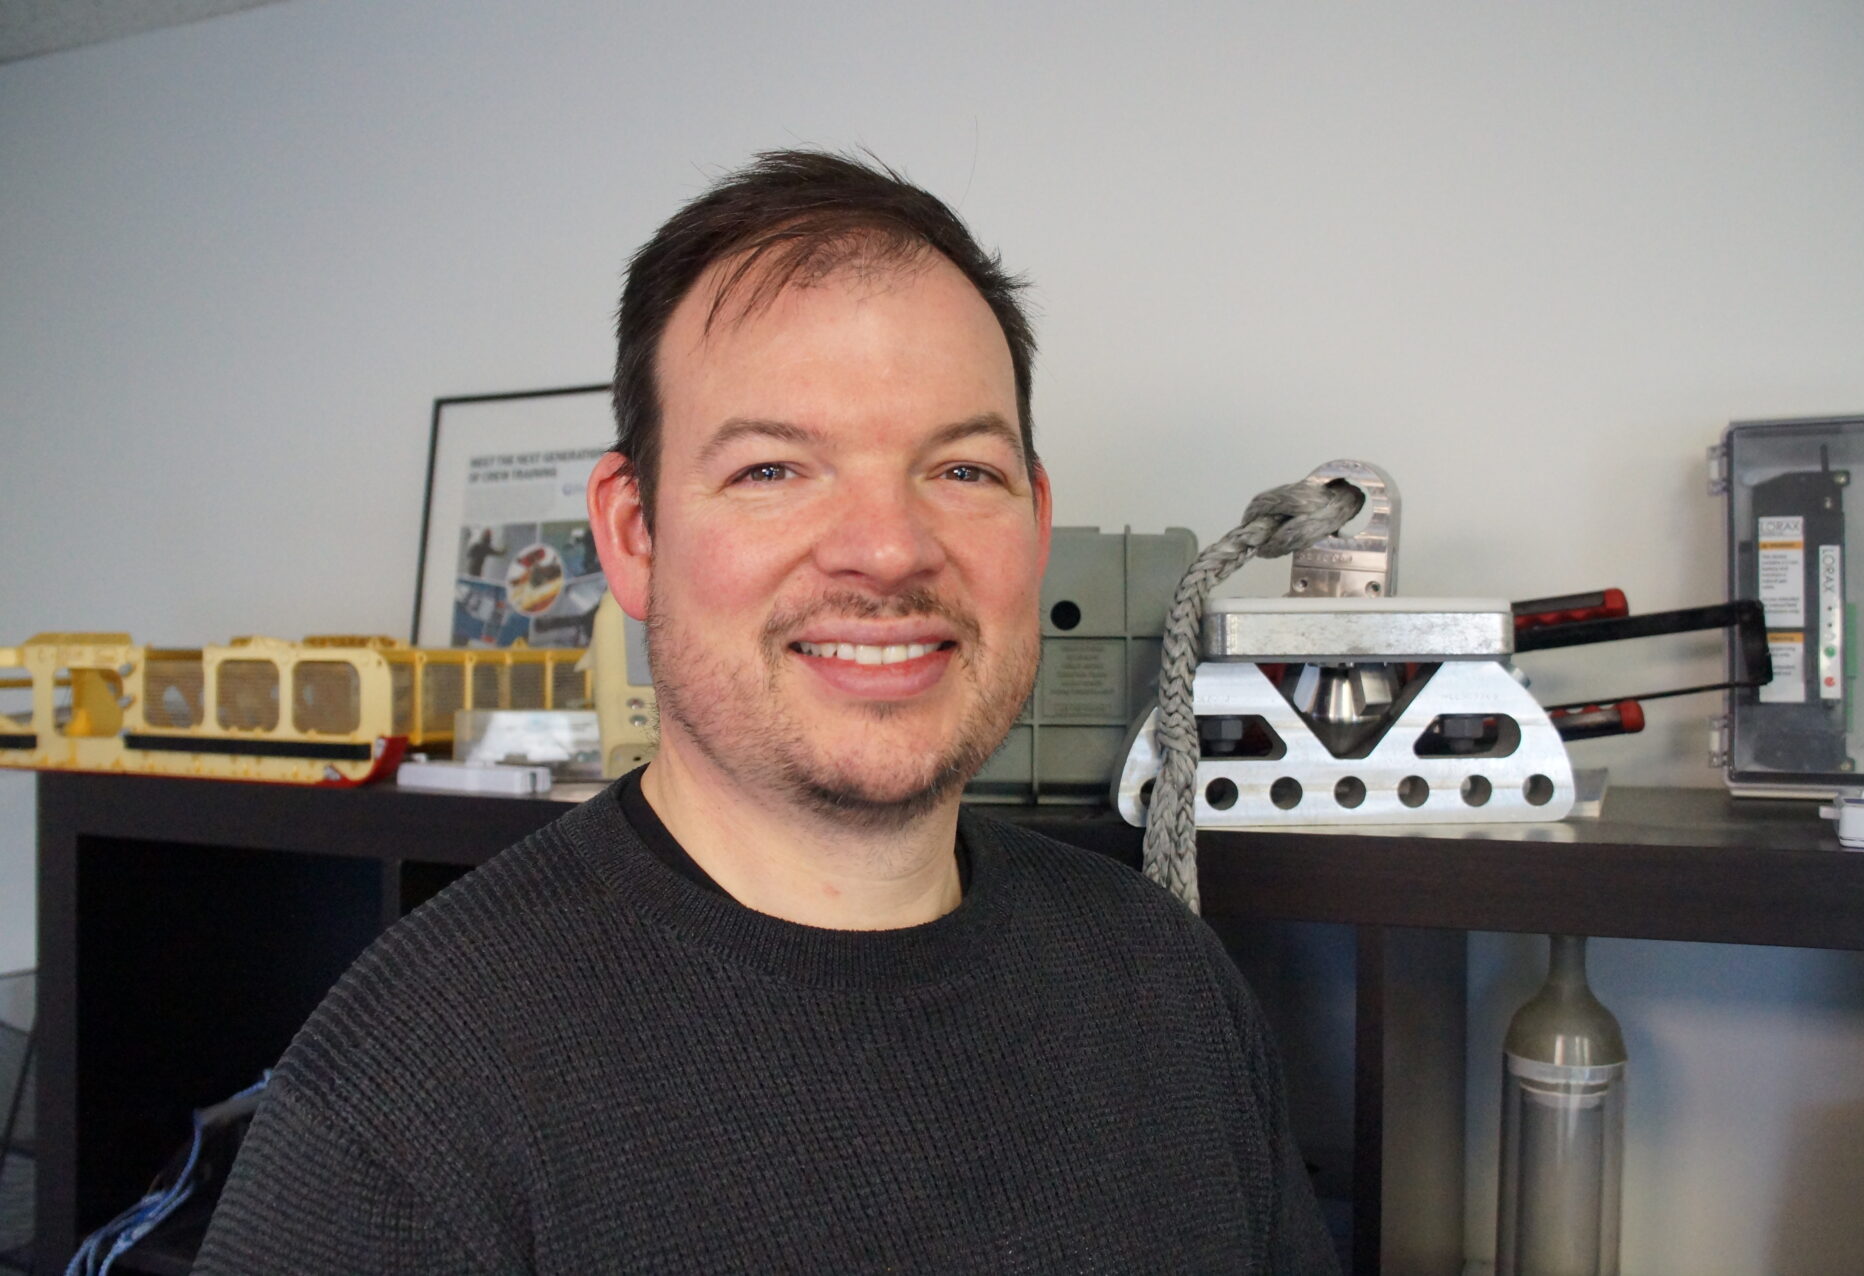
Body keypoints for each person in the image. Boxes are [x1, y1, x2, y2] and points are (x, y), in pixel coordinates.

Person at [195, 151, 1338, 1274]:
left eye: (961, 470)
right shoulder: (411, 1097)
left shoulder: (1168, 984)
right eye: (772, 471)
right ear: (633, 534)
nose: (887, 549)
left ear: (1035, 526)